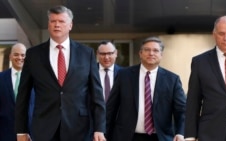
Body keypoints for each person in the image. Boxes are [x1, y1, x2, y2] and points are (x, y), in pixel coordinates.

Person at [15, 5, 106, 141]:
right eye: (53, 21)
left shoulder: (86, 54)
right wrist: (21, 131)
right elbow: (23, 95)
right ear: (48, 25)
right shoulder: (33, 55)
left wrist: (99, 128)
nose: (57, 25)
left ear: (70, 25)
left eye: (61, 21)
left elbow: (97, 95)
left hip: (78, 128)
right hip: (43, 128)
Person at [106, 37, 186, 141]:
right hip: (128, 137)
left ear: (161, 55)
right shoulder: (124, 76)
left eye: (156, 50)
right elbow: (111, 108)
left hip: (160, 137)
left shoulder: (172, 80)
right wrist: (105, 133)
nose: (151, 53)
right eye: (147, 50)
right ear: (140, 53)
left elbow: (182, 111)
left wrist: (180, 132)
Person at [184, 15, 226, 141]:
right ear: (214, 34)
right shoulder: (200, 62)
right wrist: (190, 136)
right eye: (221, 33)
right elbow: (193, 101)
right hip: (211, 131)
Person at [0, 43, 34, 141]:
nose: (19, 57)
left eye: (23, 55)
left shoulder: (36, 79)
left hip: (30, 135)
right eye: (16, 54)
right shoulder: (1, 79)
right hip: (5, 134)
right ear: (10, 56)